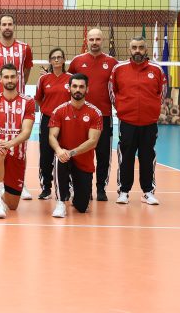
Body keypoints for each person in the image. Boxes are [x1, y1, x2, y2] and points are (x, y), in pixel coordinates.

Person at [0, 14, 34, 200]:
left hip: (18, 102)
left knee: (21, 145)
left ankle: (20, 183)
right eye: (4, 24)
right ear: (0, 27)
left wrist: (18, 88)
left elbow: (26, 71)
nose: (7, 27)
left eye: (10, 24)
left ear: (14, 26)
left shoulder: (24, 48)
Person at [109, 37, 166, 206]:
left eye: (141, 47)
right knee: (126, 157)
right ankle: (123, 192)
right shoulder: (119, 69)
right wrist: (122, 109)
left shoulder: (156, 69)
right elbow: (112, 92)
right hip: (127, 121)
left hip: (149, 122)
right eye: (134, 47)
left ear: (146, 49)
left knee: (147, 157)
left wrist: (152, 109)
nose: (137, 51)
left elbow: (162, 93)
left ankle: (148, 192)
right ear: (130, 49)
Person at [68, 28, 118, 201]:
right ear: (87, 41)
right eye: (91, 39)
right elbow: (69, 85)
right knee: (80, 153)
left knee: (103, 155)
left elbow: (118, 87)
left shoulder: (112, 62)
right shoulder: (77, 61)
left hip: (104, 116)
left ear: (102, 41)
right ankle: (82, 188)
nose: (94, 42)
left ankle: (101, 188)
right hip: (80, 116)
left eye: (97, 39)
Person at [0, 64, 35, 219]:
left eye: (12, 76)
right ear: (0, 79)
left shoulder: (28, 102)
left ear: (18, 78)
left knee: (12, 205)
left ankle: (0, 190)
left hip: (17, 153)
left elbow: (26, 132)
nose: (9, 80)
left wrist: (10, 144)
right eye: (6, 77)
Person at [48, 73, 102, 217]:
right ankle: (60, 202)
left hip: (83, 161)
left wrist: (71, 152)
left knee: (82, 207)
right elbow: (52, 136)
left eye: (81, 87)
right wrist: (59, 150)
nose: (78, 89)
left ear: (87, 89)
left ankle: (74, 190)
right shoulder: (59, 110)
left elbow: (93, 141)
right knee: (59, 158)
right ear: (69, 88)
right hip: (65, 157)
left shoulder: (95, 112)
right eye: (75, 86)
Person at [33, 47, 71, 200]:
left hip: (66, 120)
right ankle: (46, 187)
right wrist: (48, 109)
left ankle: (66, 188)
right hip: (48, 120)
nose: (56, 59)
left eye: (59, 57)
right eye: (53, 57)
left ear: (64, 60)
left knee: (66, 153)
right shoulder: (43, 79)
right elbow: (38, 99)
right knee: (46, 154)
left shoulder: (71, 78)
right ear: (50, 60)